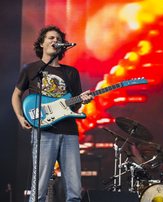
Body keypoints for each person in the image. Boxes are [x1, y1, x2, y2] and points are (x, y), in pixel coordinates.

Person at [11, 25, 93, 202]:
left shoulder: (71, 72)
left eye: (58, 39)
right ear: (41, 43)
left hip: (69, 133)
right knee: (39, 188)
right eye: (51, 38)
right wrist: (19, 117)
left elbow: (75, 107)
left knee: (74, 189)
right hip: (44, 132)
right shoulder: (31, 69)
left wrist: (82, 101)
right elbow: (16, 95)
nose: (55, 41)